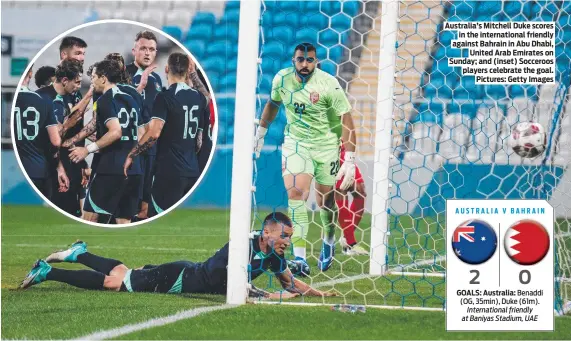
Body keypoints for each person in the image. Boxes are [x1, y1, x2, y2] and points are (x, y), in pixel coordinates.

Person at [20, 212, 335, 298]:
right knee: (115, 283)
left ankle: (79, 252)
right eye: (284, 236)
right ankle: (48, 272)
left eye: (289, 238)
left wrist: (319, 293)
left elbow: (291, 284)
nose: (286, 242)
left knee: (123, 273)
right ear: (267, 232)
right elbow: (232, 282)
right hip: (178, 279)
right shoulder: (244, 246)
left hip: (183, 275)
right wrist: (266, 295)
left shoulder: (274, 256)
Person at [253, 42, 357, 275]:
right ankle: (299, 258)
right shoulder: (282, 79)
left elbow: (346, 119)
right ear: (293, 60)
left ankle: (329, 239)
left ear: (316, 62)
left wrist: (349, 158)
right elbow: (273, 104)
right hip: (296, 144)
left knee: (326, 201)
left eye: (310, 60)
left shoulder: (328, 83)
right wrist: (261, 133)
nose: (305, 64)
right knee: (296, 194)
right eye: (300, 59)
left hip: (327, 145)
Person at [123, 52, 207, 216]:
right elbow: (199, 142)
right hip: (192, 171)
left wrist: (132, 155)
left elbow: (154, 134)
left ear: (167, 69)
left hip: (169, 171)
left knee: (158, 220)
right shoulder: (198, 98)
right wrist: (194, 74)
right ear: (187, 70)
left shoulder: (165, 96)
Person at [68, 60, 143, 224]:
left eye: (94, 77)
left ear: (103, 78)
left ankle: (80, 248)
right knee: (123, 223)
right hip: (134, 169)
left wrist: (87, 149)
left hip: (112, 168)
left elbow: (115, 132)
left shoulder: (105, 100)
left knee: (89, 218)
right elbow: (142, 133)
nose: (92, 81)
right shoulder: (132, 98)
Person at [36, 59, 91, 216]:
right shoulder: (43, 98)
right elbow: (55, 136)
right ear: (65, 80)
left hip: (67, 164)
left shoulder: (72, 96)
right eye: (77, 82)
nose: (78, 86)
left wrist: (83, 163)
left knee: (70, 211)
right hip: (47, 165)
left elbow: (75, 133)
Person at [14, 65, 67, 197]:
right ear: (30, 74)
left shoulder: (6, 99)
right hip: (37, 169)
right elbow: (55, 141)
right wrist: (60, 168)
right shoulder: (43, 100)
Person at [126, 30, 162, 222]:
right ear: (134, 51)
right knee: (130, 192)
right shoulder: (124, 75)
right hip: (130, 143)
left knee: (146, 192)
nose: (147, 53)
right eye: (143, 49)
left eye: (151, 49)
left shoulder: (156, 80)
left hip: (151, 145)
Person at [335, 141, 368, 255]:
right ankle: (350, 243)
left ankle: (346, 237)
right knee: (341, 191)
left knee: (361, 193)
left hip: (346, 154)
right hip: (332, 153)